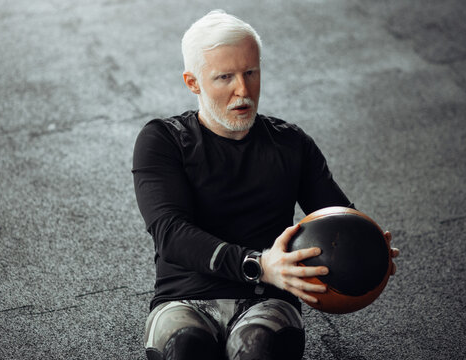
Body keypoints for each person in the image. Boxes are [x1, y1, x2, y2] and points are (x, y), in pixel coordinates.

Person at [132, 10, 399, 360]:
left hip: (267, 300)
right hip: (183, 299)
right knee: (187, 348)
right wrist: (258, 263)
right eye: (224, 77)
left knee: (257, 349)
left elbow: (337, 219)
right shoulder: (163, 141)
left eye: (250, 73)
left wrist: (367, 250)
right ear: (193, 82)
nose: (242, 90)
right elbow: (170, 233)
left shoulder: (291, 144)